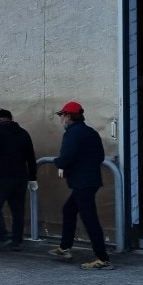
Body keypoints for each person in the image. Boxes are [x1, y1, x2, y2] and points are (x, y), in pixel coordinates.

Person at [49, 101, 113, 270]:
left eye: (61, 115)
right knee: (69, 210)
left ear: (68, 116)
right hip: (91, 181)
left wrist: (58, 163)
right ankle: (65, 247)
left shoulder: (72, 134)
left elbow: (67, 156)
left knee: (89, 219)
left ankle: (103, 258)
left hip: (81, 183)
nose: (60, 118)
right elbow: (99, 156)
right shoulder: (91, 132)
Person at [0, 108, 37, 251]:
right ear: (10, 118)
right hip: (21, 177)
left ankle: (4, 236)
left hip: (3, 176)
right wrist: (32, 178)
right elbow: (31, 157)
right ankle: (17, 241)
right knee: (17, 209)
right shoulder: (24, 133)